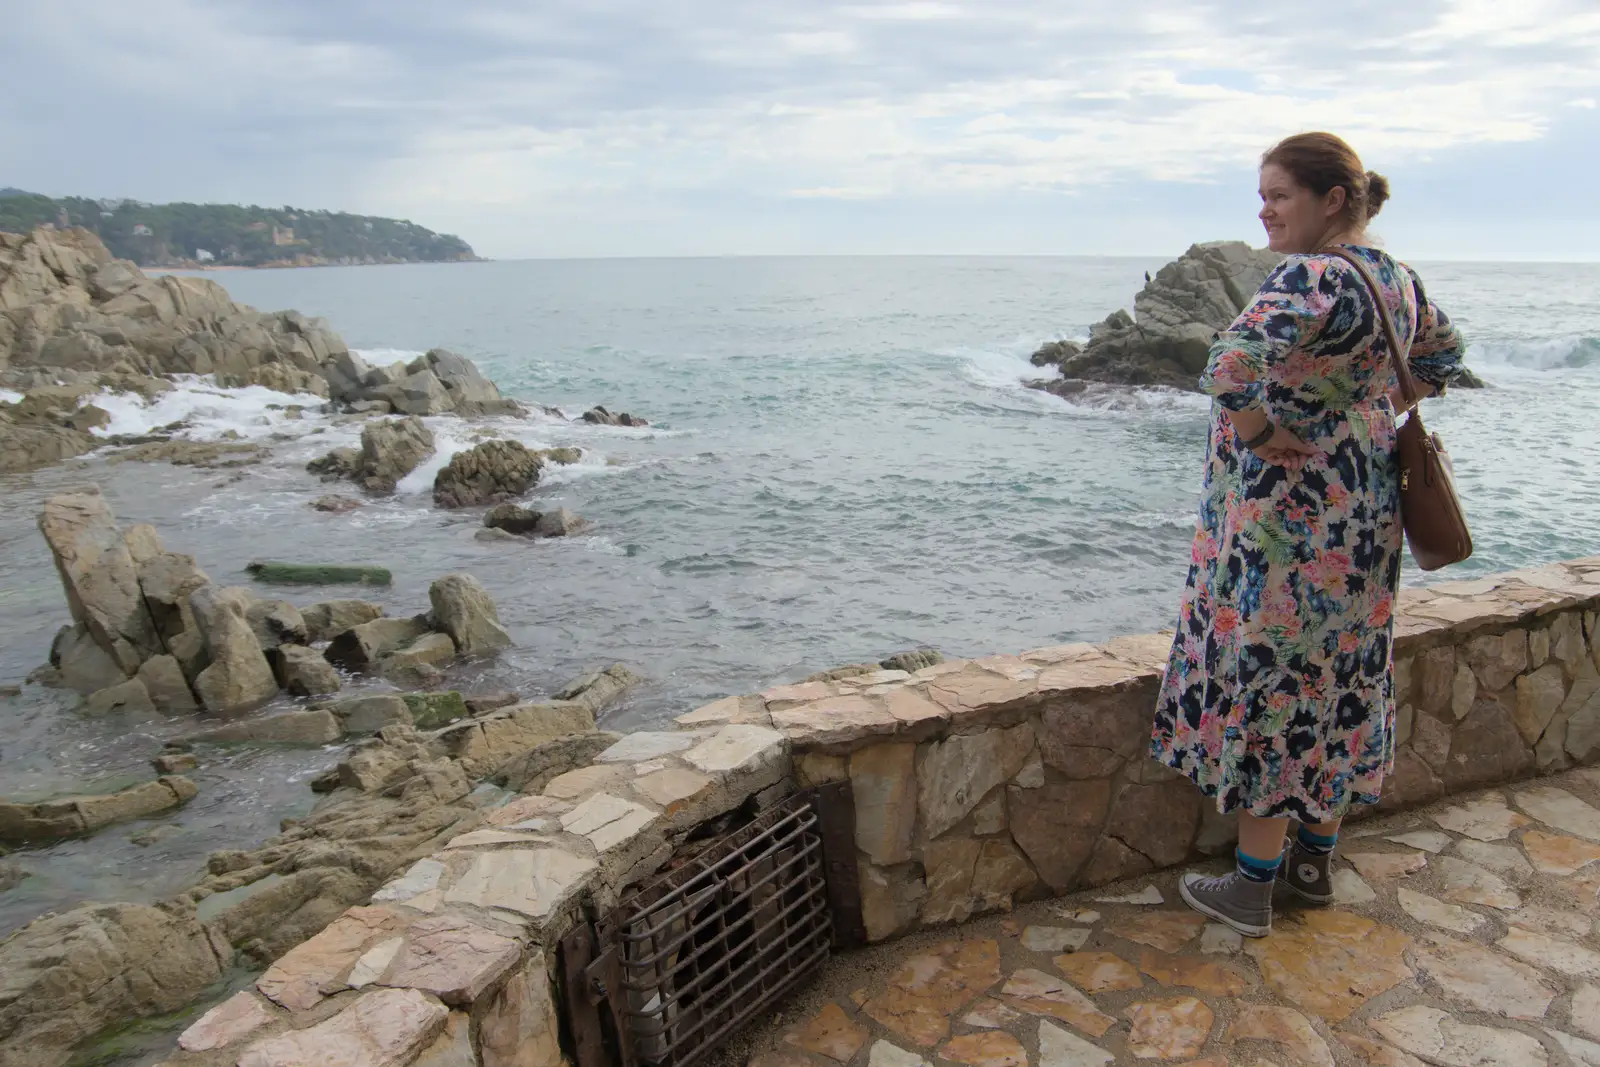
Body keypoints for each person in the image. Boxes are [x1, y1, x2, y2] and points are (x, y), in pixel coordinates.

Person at [1149, 131, 1467, 937]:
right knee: (1344, 674)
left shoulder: (1313, 274)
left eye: (1279, 194)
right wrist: (1362, 408)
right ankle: (1313, 864)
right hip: (1360, 512)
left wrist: (1264, 432)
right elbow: (1445, 355)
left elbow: (1226, 367)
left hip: (1285, 520)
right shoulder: (1394, 277)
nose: (1264, 210)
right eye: (1261, 195)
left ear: (1332, 200)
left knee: (1276, 677)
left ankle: (1251, 888)